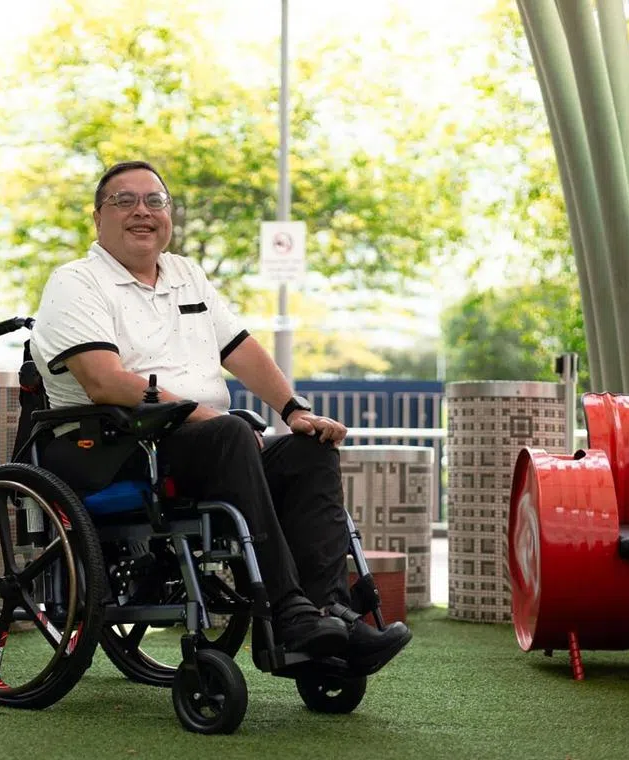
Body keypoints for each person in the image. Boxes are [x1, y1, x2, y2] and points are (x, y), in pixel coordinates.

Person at [30, 160, 411, 670]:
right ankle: (290, 615)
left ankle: (328, 614)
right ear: (97, 218)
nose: (142, 211)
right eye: (124, 201)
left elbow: (242, 349)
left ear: (169, 215)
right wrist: (201, 416)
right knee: (232, 432)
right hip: (113, 446)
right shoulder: (75, 282)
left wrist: (295, 410)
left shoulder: (186, 274)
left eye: (155, 201)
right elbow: (105, 382)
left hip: (202, 445)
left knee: (308, 451)